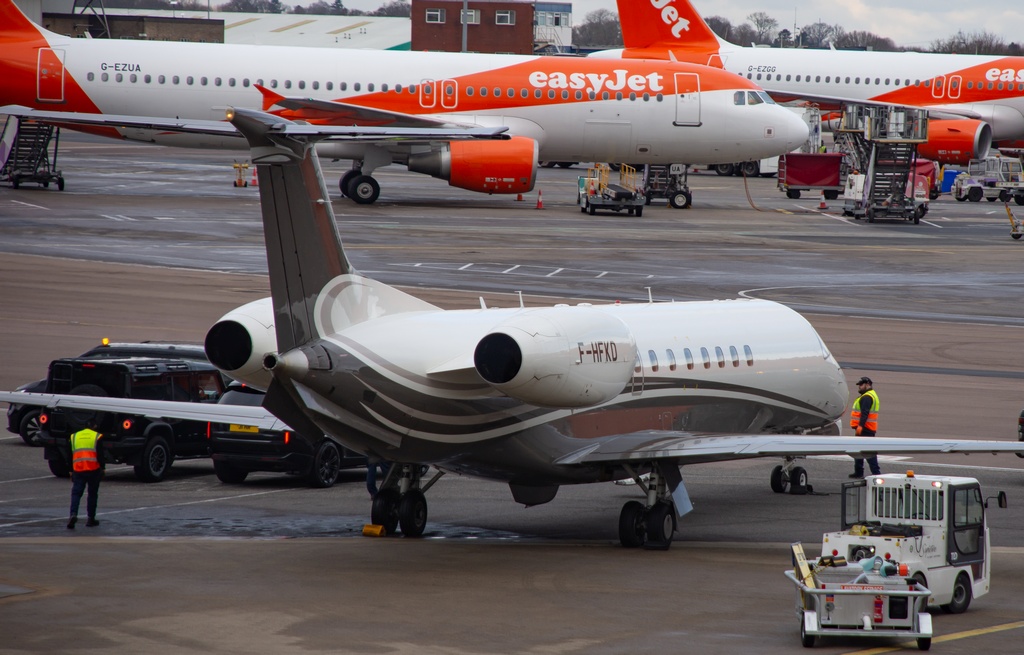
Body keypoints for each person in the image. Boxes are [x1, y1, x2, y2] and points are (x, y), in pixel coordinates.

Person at [67, 417, 104, 529]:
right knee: (92, 494)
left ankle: (73, 514)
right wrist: (103, 468)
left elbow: (70, 455)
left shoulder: (74, 437)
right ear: (93, 426)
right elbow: (100, 454)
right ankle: (90, 519)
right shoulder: (97, 436)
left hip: (78, 470)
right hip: (93, 470)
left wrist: (70, 470)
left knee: (76, 494)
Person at [850, 377, 881, 479]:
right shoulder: (871, 395)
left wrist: (860, 426)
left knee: (869, 452)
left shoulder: (867, 397)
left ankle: (876, 473)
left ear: (867, 384)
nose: (859, 387)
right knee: (858, 450)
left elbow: (865, 413)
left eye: (861, 385)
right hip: (867, 428)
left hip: (865, 429)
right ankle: (858, 472)